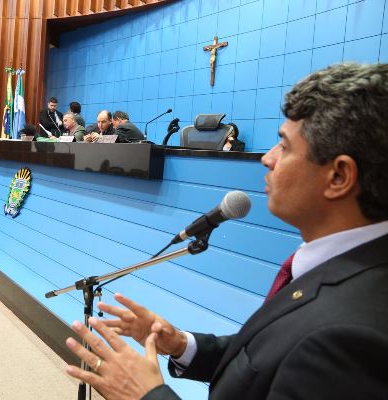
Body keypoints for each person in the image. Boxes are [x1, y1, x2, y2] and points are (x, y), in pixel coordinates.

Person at [64, 63, 388, 399]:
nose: (268, 158)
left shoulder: (353, 337)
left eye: (285, 147)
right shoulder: (332, 266)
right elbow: (266, 356)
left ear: (338, 177)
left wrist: (147, 394)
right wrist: (180, 344)